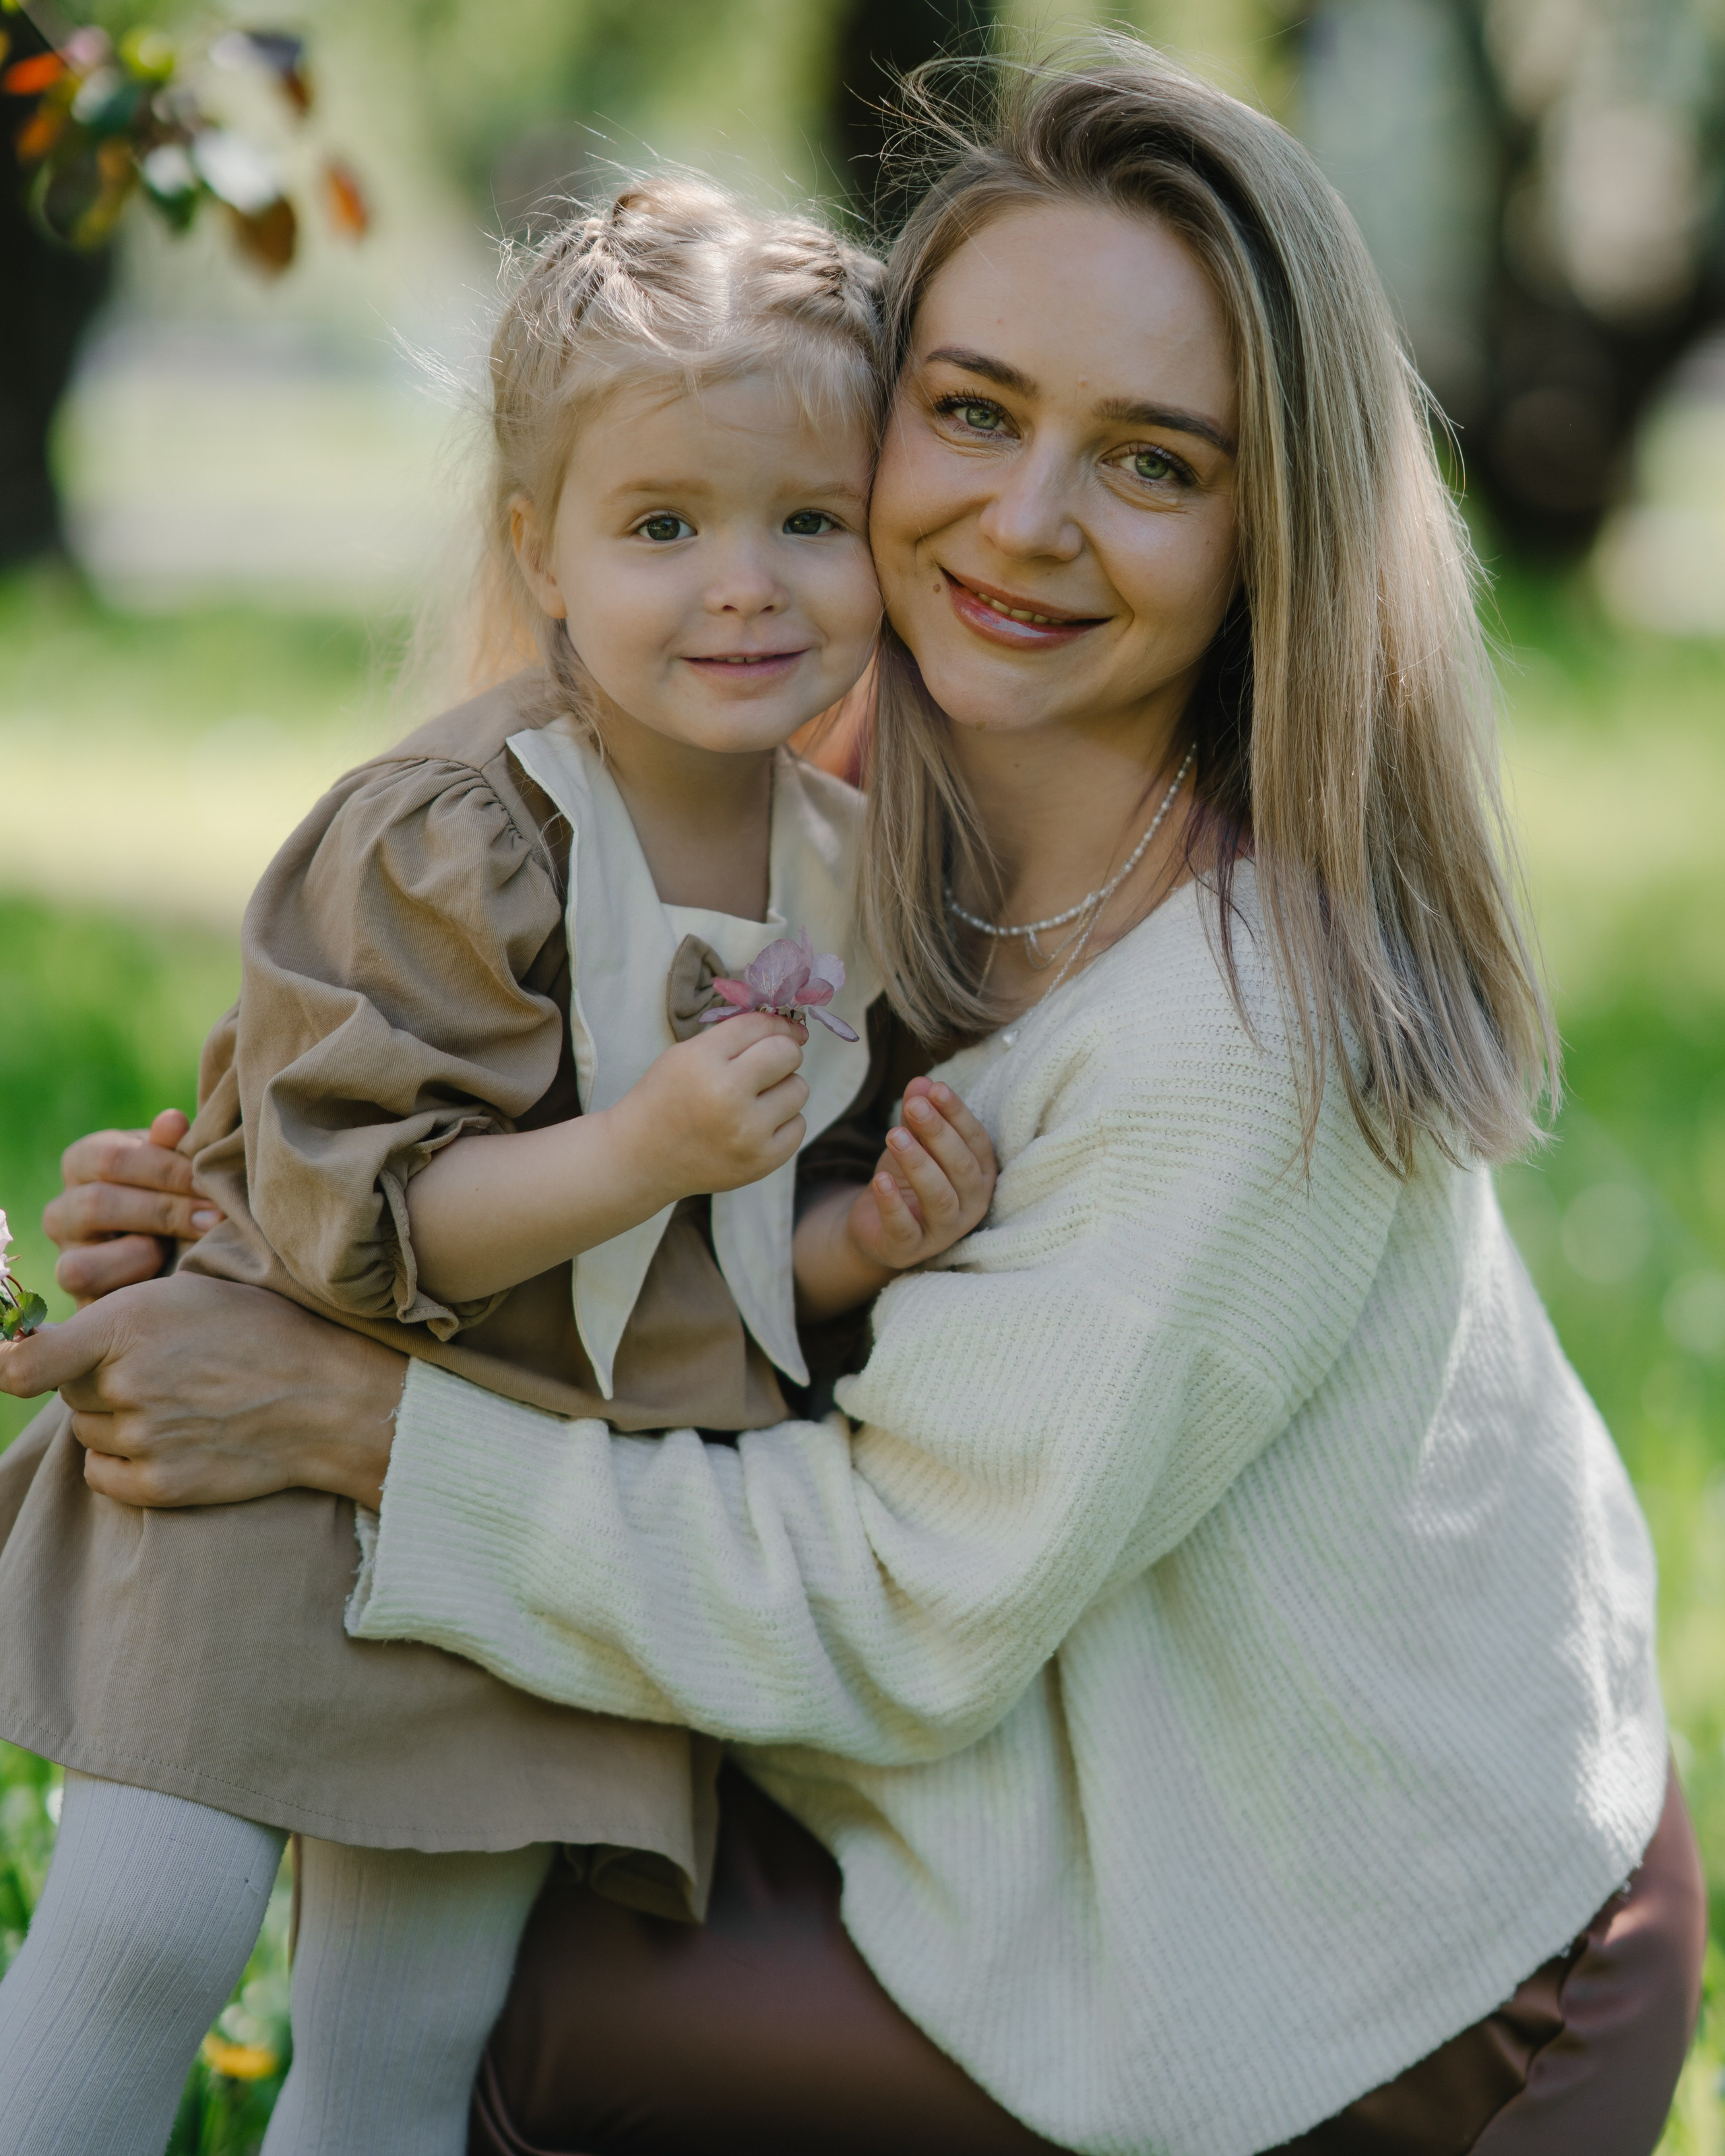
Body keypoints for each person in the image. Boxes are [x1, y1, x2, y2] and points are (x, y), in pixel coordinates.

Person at [3, 43, 1706, 2156]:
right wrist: (245, 1219)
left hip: (1350, 1932)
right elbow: (524, 1141)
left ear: (1277, 529)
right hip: (1023, 1722)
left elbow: (892, 1612)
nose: (1027, 519)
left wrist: (337, 1412)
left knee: (534, 1991)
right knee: (470, 1806)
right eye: (973, 410)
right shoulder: (790, 758)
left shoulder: (1241, 1036)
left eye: (1153, 461)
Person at [0, 175, 997, 2156]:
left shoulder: (843, 875)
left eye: (808, 523)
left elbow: (710, 1275)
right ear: (542, 549)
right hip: (279, 1459)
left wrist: (856, 1243)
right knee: (144, 1933)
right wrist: (641, 1145)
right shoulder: (461, 831)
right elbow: (366, 1227)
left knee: (410, 2030)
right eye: (664, 526)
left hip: (536, 1524)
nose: (745, 585)